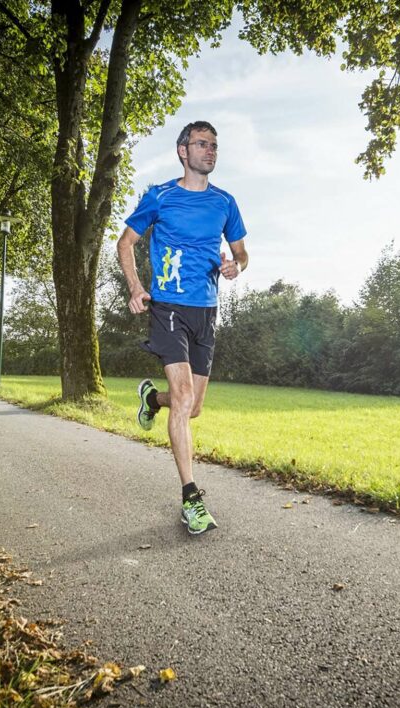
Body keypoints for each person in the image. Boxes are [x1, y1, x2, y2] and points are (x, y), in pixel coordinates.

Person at [116, 120, 248, 535]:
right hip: (168, 306)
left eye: (214, 146)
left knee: (192, 407)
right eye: (202, 144)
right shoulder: (160, 196)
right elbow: (125, 243)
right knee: (185, 394)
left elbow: (242, 253)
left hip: (206, 311)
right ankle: (191, 498)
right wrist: (137, 287)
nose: (210, 151)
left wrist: (235, 265)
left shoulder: (225, 203)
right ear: (182, 150)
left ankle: (152, 400)